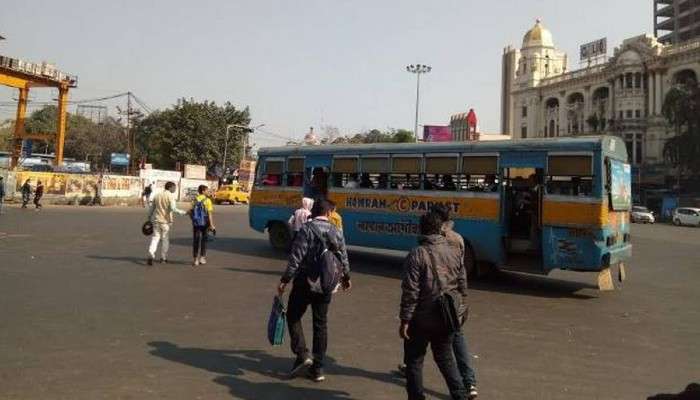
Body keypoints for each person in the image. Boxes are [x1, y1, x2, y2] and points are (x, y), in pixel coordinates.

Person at [277, 199, 352, 382]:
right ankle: (318, 369)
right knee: (320, 324)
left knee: (293, 315)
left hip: (304, 281)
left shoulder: (306, 229)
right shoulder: (336, 230)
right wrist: (346, 278)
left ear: (314, 211)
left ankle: (303, 354)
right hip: (326, 283)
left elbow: (296, 257)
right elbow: (343, 256)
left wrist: (285, 280)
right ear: (328, 213)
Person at [399, 211, 469, 400]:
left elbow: (410, 291)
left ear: (421, 229)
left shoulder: (416, 254)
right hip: (446, 315)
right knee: (446, 359)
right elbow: (462, 284)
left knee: (414, 361)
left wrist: (405, 319)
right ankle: (460, 395)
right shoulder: (454, 251)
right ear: (440, 229)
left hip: (421, 318)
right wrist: (461, 309)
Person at [431, 204, 478, 399]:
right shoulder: (458, 239)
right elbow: (461, 270)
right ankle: (470, 382)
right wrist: (464, 295)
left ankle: (410, 367)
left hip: (435, 298)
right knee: (457, 336)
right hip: (454, 297)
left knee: (423, 340)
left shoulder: (433, 241)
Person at [147, 181, 187, 265]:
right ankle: (163, 258)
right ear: (170, 188)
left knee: (155, 238)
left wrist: (149, 218)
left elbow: (152, 209)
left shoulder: (157, 195)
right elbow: (173, 208)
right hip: (165, 222)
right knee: (165, 239)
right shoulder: (170, 196)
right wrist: (184, 212)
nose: (175, 189)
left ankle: (151, 253)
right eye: (174, 187)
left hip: (156, 221)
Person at [191, 185, 216, 266]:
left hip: (196, 223)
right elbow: (209, 214)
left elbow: (191, 211)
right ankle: (202, 258)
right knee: (204, 241)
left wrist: (194, 220)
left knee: (196, 240)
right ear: (203, 191)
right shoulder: (208, 200)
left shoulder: (195, 199)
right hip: (205, 223)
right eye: (207, 190)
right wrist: (212, 225)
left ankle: (195, 260)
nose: (208, 192)